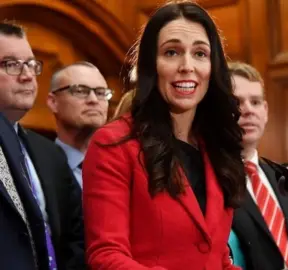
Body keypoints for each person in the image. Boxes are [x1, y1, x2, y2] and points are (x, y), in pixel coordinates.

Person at [82, 2, 245, 269]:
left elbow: (216, 259)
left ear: (212, 67)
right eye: (172, 52)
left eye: (200, 54)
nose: (187, 66)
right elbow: (106, 256)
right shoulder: (113, 143)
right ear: (150, 65)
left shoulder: (219, 148)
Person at [0, 21, 84, 269]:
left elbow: (75, 239)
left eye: (30, 64)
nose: (27, 76)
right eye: (12, 65)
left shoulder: (50, 154)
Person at [228, 61, 288, 270]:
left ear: (266, 110)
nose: (247, 110)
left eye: (255, 102)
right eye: (236, 102)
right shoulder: (208, 183)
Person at [47, 61, 111, 189]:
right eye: (80, 91)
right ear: (53, 102)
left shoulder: (121, 164)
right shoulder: (37, 167)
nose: (93, 100)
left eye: (100, 93)